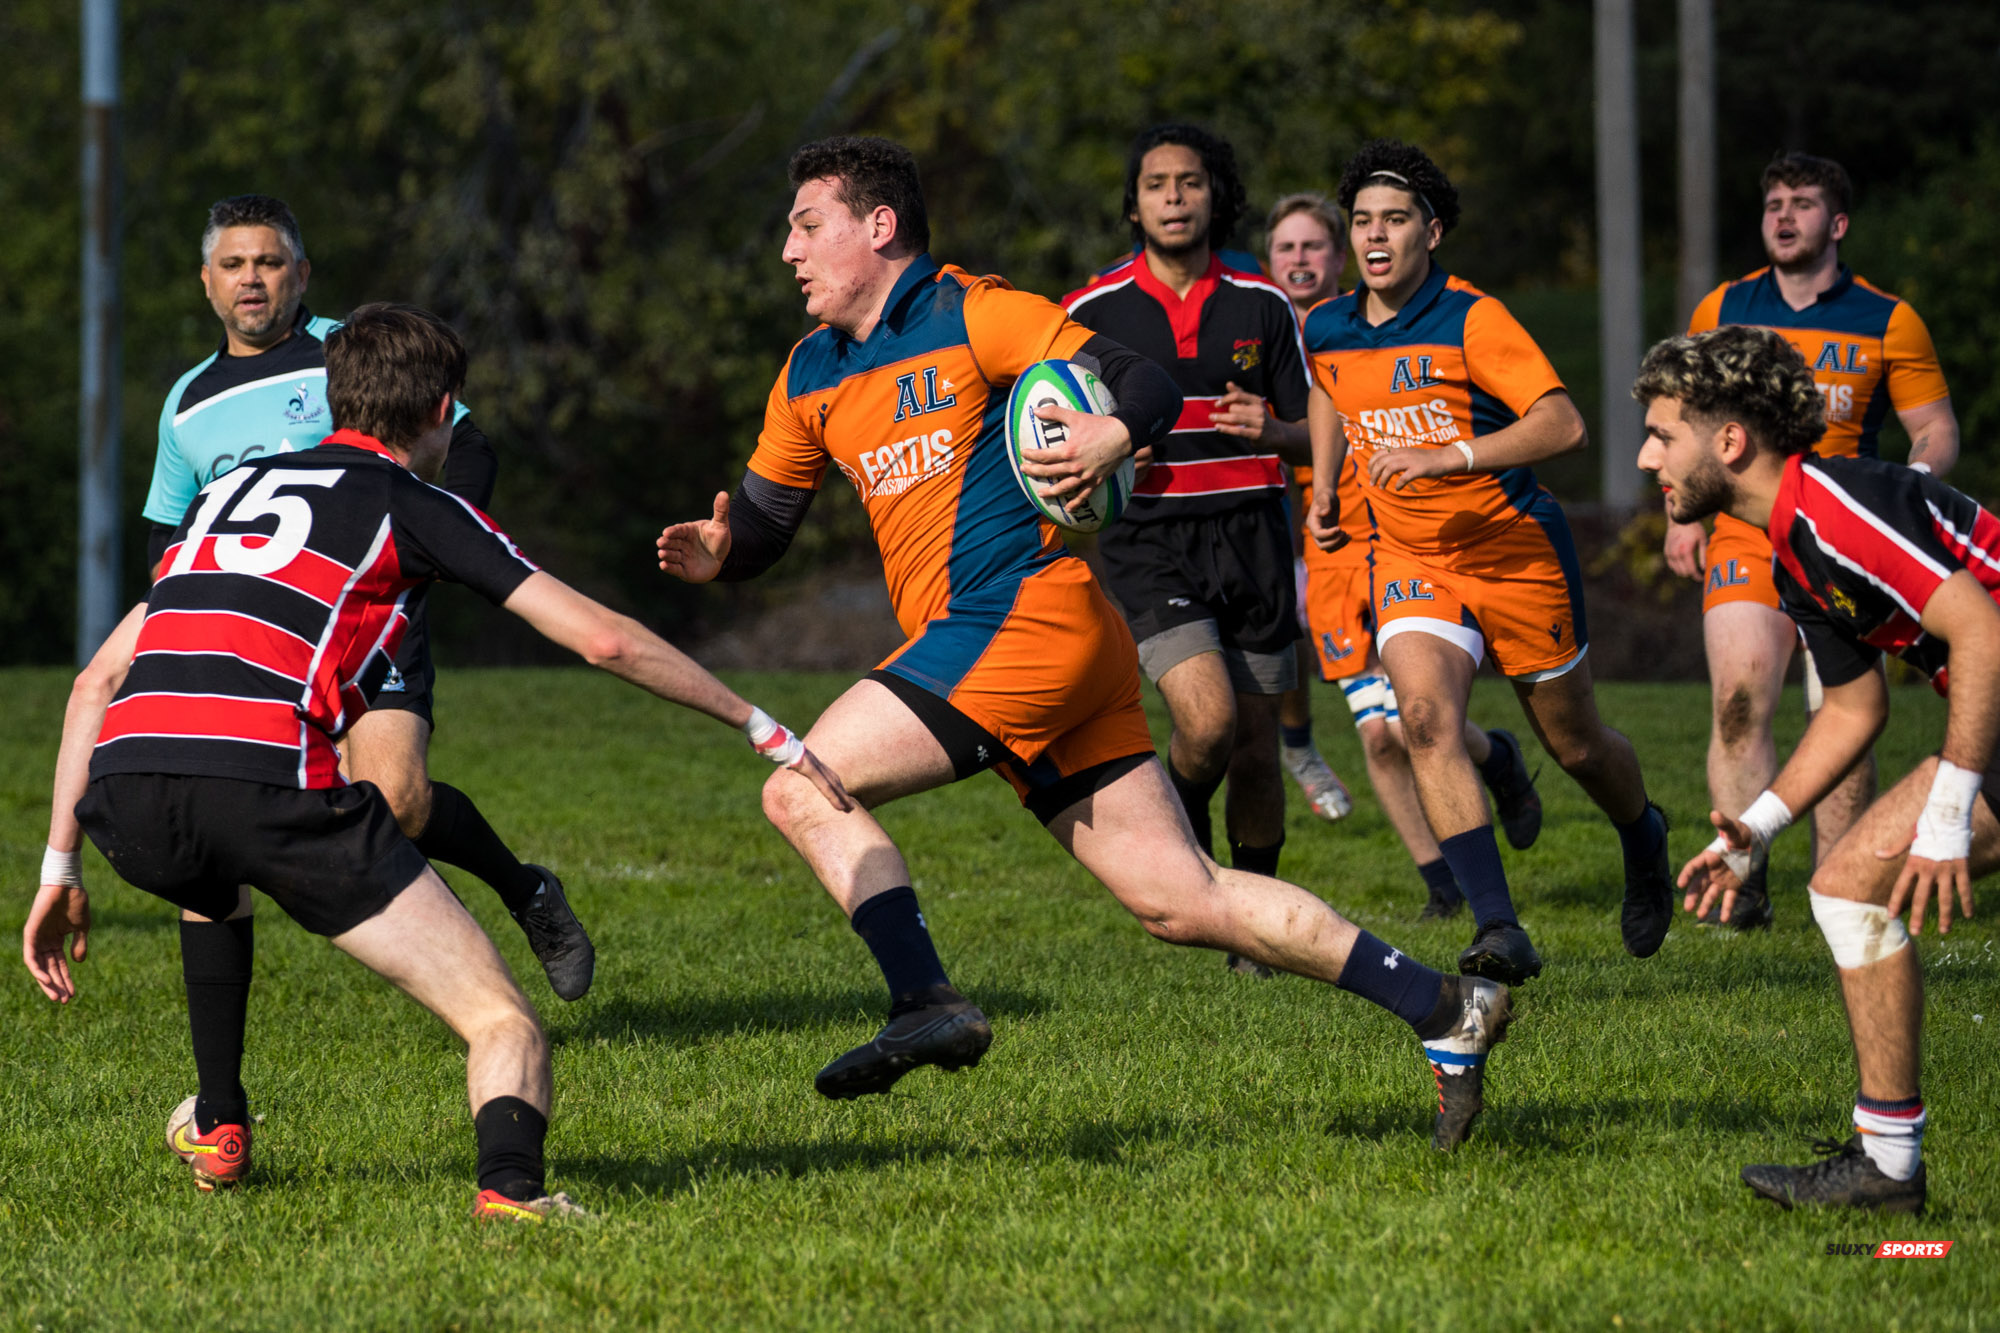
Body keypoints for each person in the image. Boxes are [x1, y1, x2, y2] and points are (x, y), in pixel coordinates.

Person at [657, 136, 1517, 1150]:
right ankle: (1443, 1007)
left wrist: (1117, 431)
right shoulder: (810, 371)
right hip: (1034, 645)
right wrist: (721, 553)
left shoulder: (973, 312)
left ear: (876, 226)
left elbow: (1137, 380)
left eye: (808, 226)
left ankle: (924, 998)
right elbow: (765, 521)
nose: (790, 252)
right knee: (1182, 901)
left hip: (1019, 618)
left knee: (801, 787)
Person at [23, 303, 847, 1219]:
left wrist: (59, 870)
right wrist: (761, 724)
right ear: (441, 412)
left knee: (213, 875)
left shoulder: (224, 493)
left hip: (126, 795)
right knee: (501, 1018)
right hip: (262, 785)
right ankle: (511, 1191)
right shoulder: (413, 503)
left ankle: (219, 1122)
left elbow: (94, 682)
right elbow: (604, 641)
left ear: (334, 396)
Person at [148, 195, 593, 1001]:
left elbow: (466, 441)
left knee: (397, 800)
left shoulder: (350, 352)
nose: (252, 279)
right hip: (254, 639)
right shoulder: (185, 401)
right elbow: (166, 531)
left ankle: (525, 891)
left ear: (302, 272)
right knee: (211, 823)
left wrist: (437, 549)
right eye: (233, 264)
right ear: (205, 281)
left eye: (269, 261)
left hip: (364, 614)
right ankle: (224, 1078)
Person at [1639, 324, 1986, 1214]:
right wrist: (1755, 830)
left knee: (1850, 888)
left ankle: (1890, 1173)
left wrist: (1947, 816)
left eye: (1662, 435)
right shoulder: (1793, 539)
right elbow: (1854, 708)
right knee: (1844, 887)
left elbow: (1982, 630)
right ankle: (1888, 1171)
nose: (1646, 458)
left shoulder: (1832, 508)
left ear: (1729, 441)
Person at [1303, 140, 1670, 981]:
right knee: (1422, 719)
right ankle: (1499, 927)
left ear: (1431, 232)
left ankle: (1642, 833)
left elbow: (1563, 424)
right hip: (1409, 556)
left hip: (1514, 552)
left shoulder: (1473, 317)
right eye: (1362, 221)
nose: (1375, 236)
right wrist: (1324, 485)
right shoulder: (1327, 323)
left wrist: (1450, 457)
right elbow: (1327, 386)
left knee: (1577, 746)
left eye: (1395, 220)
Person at [1664, 154, 1959, 929]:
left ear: (1838, 223)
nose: (1783, 215)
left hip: (1842, 538)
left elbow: (1935, 426)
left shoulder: (1888, 318)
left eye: (1801, 203)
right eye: (1773, 203)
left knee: (1843, 708)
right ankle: (1741, 884)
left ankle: (1840, 883)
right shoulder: (1725, 307)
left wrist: (1910, 486)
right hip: (1745, 530)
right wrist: (1678, 514)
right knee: (1737, 701)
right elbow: (1684, 420)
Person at [1060, 126, 1312, 975]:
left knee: (1257, 748)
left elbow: (1316, 429)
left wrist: (1275, 431)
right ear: (1134, 205)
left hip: (1254, 537)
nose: (1174, 197)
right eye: (1157, 184)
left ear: (1216, 195)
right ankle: (1182, 836)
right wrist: (1087, 465)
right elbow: (1044, 427)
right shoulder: (1090, 310)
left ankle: (1256, 933)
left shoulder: (1263, 301)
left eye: (1191, 181)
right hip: (1149, 539)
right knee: (1206, 724)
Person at [1269, 192, 1541, 919]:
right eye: (1285, 248)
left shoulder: (1376, 322)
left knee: (1407, 722)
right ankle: (1442, 885)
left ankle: (1496, 762)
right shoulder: (1266, 330)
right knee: (1379, 736)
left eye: (1313, 245)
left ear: (1340, 255)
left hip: (1406, 538)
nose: (1300, 259)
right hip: (1332, 550)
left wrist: (1276, 436)